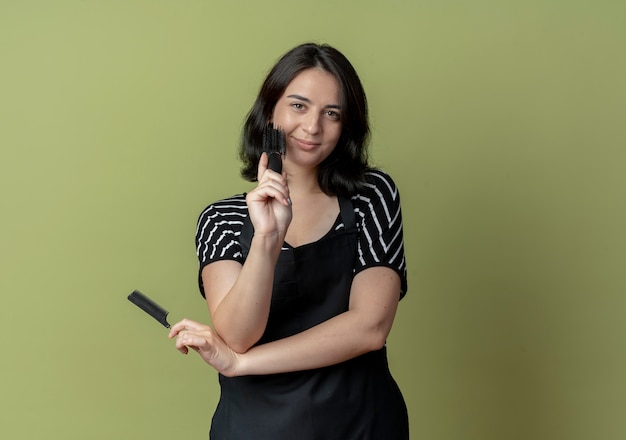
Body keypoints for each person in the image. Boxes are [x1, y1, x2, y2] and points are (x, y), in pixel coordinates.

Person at [169, 42, 409, 439]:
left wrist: (240, 364)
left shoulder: (372, 196)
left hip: (360, 422)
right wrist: (267, 237)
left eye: (332, 114)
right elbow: (237, 336)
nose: (313, 127)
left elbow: (370, 327)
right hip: (256, 426)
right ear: (270, 112)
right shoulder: (222, 220)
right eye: (298, 106)